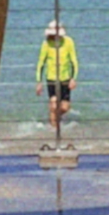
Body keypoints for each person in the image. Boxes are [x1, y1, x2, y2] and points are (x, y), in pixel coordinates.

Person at [37, 13, 78, 141]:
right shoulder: (46, 44)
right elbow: (40, 63)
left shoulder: (69, 42)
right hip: (51, 79)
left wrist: (73, 78)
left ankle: (55, 118)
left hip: (65, 78)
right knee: (54, 104)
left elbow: (74, 61)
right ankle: (54, 129)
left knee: (65, 107)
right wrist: (39, 82)